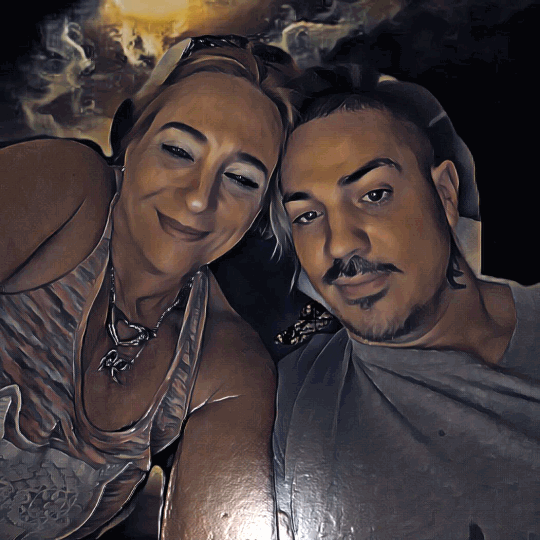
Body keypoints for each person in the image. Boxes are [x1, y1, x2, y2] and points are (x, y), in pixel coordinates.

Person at [0, 35, 300, 539]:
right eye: (179, 151)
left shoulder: (228, 365)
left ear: (260, 212)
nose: (199, 199)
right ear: (131, 142)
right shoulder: (66, 185)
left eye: (242, 179)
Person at [271, 66, 540, 539]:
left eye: (374, 195)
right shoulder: (286, 403)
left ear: (445, 194)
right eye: (307, 215)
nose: (339, 244)